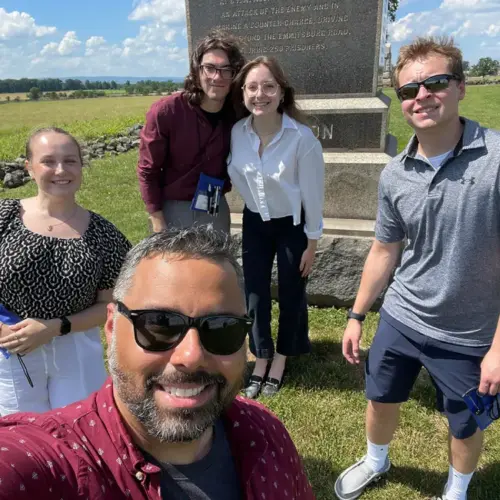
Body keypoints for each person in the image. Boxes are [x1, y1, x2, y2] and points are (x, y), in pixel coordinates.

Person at [0, 227, 315, 500]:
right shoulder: (48, 462)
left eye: (221, 328)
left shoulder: (265, 433)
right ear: (111, 328)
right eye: (159, 324)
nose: (191, 357)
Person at [334, 37, 500, 500]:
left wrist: (499, 349)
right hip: (402, 317)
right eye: (409, 90)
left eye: (436, 82)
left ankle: (457, 489)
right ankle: (375, 461)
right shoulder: (395, 173)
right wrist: (356, 314)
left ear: (461, 87)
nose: (422, 95)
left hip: (469, 333)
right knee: (380, 396)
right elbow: (385, 250)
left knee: (464, 422)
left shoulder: (498, 161)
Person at [0, 127, 131, 416]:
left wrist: (53, 327)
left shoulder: (103, 235)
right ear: (29, 168)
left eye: (70, 160)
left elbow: (111, 304)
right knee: (17, 436)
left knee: (80, 429)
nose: (61, 169)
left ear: (81, 166)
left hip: (75, 349)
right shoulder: (4, 217)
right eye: (48, 161)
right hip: (10, 349)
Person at [228, 57, 324, 398]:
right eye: (252, 87)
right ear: (243, 93)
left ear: (281, 92)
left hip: (292, 225)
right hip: (255, 222)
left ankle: (282, 357)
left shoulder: (302, 139)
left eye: (268, 86)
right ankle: (261, 355)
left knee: (291, 292)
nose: (260, 94)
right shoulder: (237, 134)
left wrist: (312, 242)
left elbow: (313, 194)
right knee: (254, 294)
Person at [137, 32, 245, 234]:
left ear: (234, 74)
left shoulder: (237, 114)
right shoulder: (167, 111)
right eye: (210, 68)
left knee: (217, 265)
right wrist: (157, 219)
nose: (217, 77)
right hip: (173, 209)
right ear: (197, 71)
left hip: (215, 206)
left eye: (226, 69)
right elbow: (147, 170)